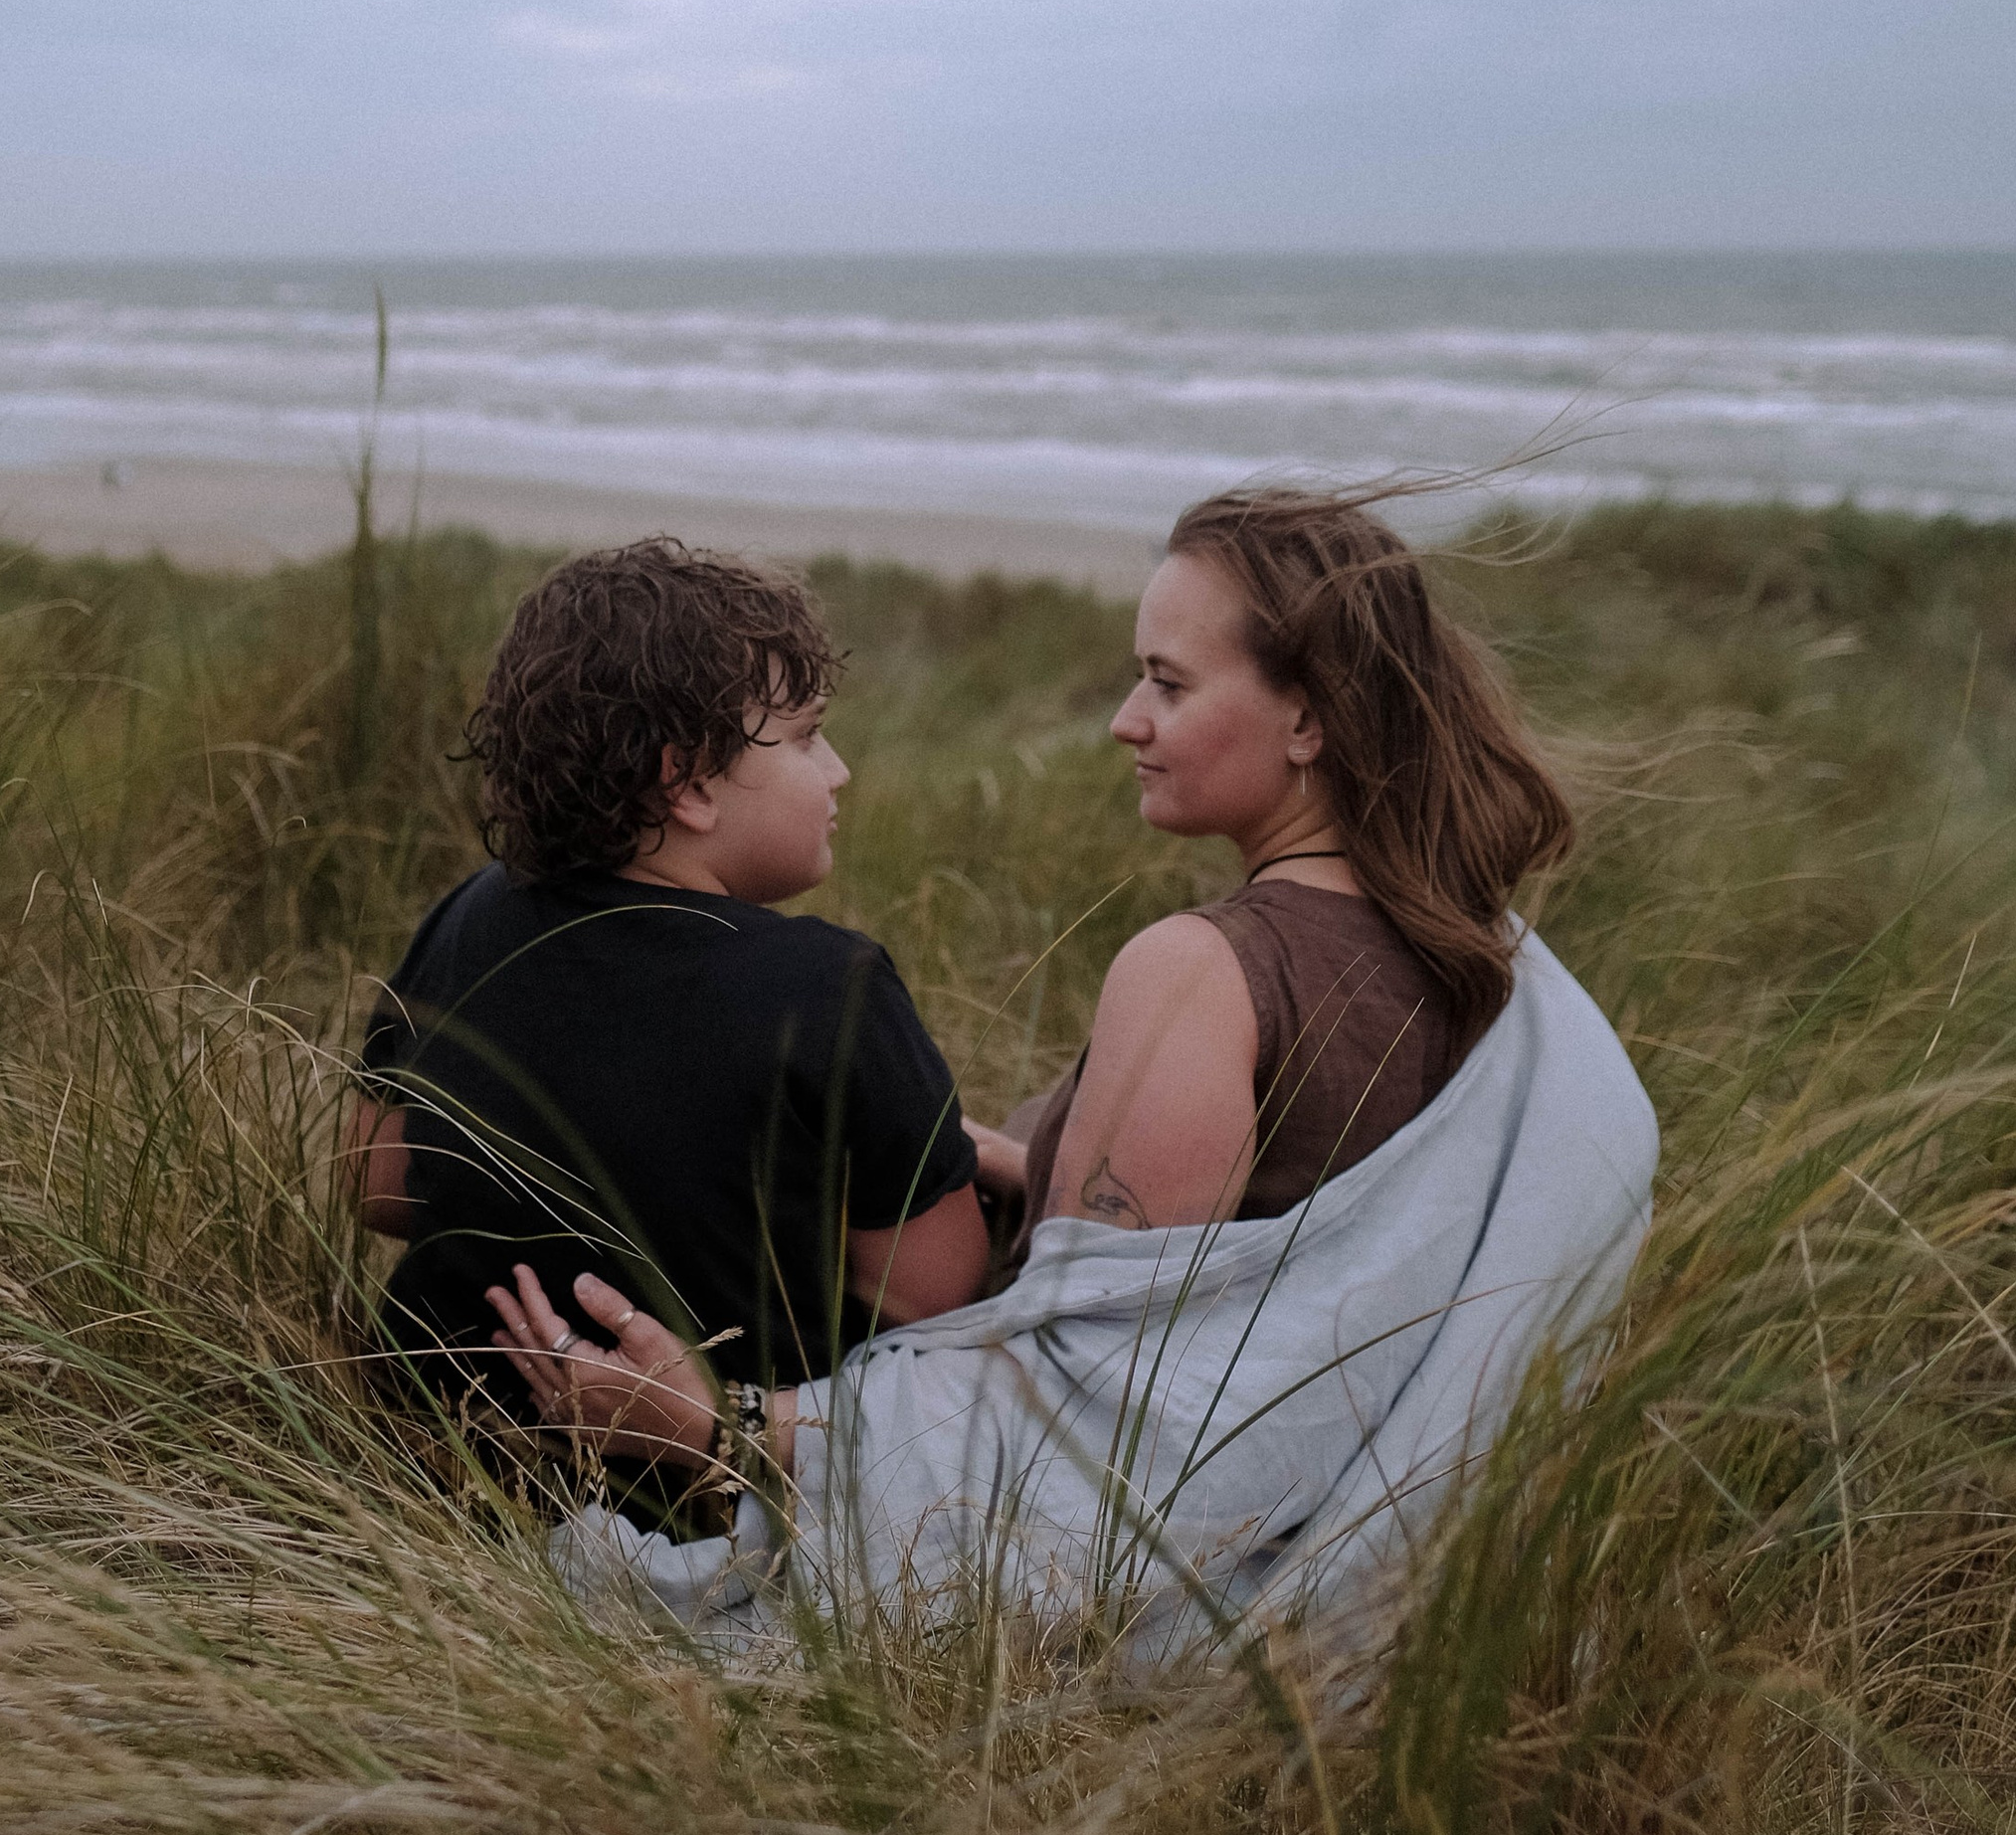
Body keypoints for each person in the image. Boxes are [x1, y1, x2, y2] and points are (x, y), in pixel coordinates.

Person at [488, 483, 1577, 1497]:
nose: (1125, 718)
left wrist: (712, 1423)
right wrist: (1030, 1160)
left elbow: (1078, 1412)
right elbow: (1276, 1233)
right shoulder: (1475, 951)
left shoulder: (1201, 969)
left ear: (1310, 719)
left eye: (1168, 681)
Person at [343, 539, 988, 1444]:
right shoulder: (829, 986)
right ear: (685, 781)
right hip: (708, 1483)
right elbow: (933, 1298)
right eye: (805, 736)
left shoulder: (473, 913)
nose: (837, 769)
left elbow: (377, 1185)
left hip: (433, 1452)